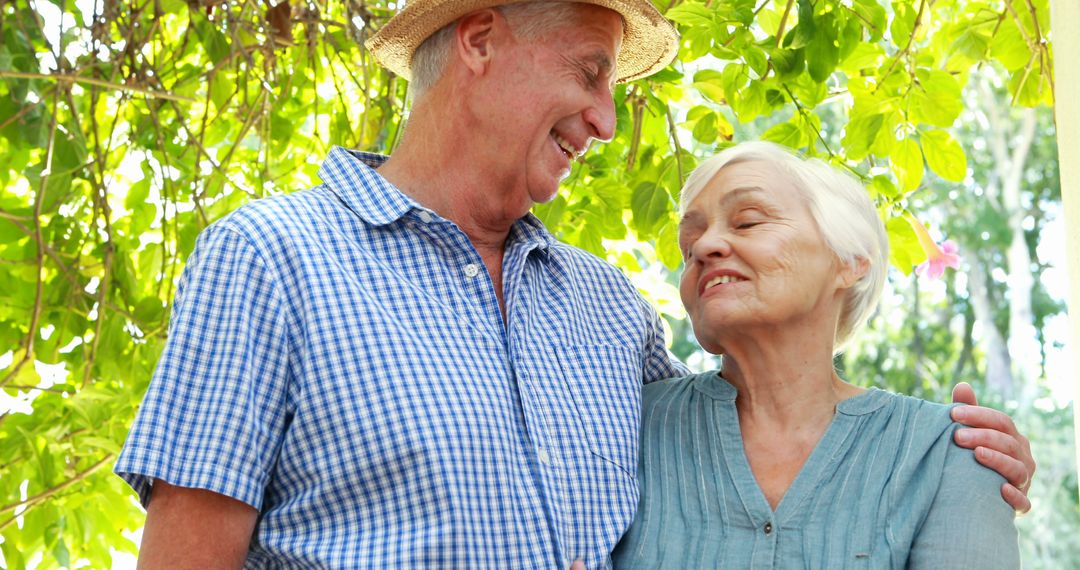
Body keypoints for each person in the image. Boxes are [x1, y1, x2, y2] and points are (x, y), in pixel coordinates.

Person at [114, 1, 1033, 567]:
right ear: (479, 40)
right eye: (591, 74)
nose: (603, 118)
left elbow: (749, 439)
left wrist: (969, 456)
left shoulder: (605, 307)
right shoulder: (272, 257)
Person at [611, 141, 1021, 568]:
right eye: (688, 244)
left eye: (748, 222)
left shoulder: (945, 452)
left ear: (848, 261)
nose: (704, 246)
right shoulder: (623, 425)